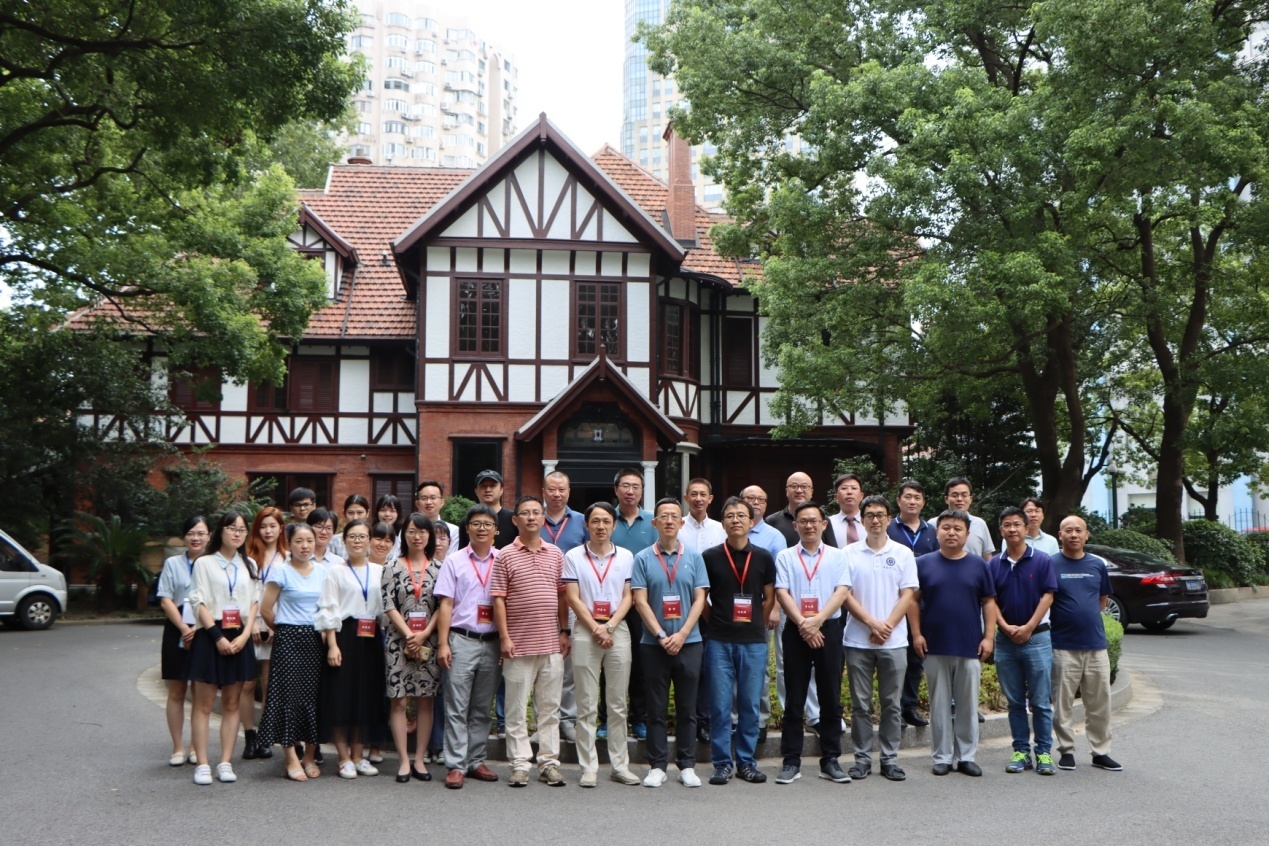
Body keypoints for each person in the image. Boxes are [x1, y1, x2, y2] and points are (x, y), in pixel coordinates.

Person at [909, 510, 998, 777]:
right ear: (937, 532)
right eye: (946, 527)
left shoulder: (978, 565)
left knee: (968, 704)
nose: (951, 533)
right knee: (938, 704)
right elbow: (912, 600)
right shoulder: (923, 563)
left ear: (967, 534)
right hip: (934, 644)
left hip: (969, 645)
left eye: (957, 529)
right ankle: (942, 756)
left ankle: (967, 756)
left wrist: (989, 637)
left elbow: (989, 602)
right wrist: (916, 634)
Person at [491, 495, 569, 787]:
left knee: (549, 708)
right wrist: (504, 637)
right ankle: (520, 764)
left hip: (551, 644)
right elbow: (498, 599)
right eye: (525, 513)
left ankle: (548, 763)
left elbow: (562, 595)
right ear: (515, 520)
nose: (532, 517)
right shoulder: (505, 555)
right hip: (518, 645)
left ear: (543, 518)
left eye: (537, 512)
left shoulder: (555, 553)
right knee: (516, 709)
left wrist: (564, 631)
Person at [632, 497, 710, 788]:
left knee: (688, 708)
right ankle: (657, 766)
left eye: (674, 516)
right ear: (654, 523)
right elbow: (640, 601)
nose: (668, 521)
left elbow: (700, 599)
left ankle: (687, 765)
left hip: (690, 643)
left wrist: (682, 634)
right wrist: (662, 636)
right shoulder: (642, 558)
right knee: (656, 708)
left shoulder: (694, 557)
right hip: (654, 645)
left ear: (681, 523)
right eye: (663, 516)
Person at [840, 495, 918, 782]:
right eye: (870, 515)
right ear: (862, 520)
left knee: (892, 704)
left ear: (889, 518)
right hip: (857, 640)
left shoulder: (903, 553)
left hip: (894, 641)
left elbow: (908, 594)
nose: (875, 520)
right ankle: (861, 759)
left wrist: (887, 626)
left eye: (880, 514)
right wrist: (872, 623)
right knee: (860, 705)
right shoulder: (847, 553)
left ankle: (889, 759)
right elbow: (844, 594)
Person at [773, 501, 851, 785]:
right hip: (797, 629)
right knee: (794, 696)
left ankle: (830, 760)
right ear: (795, 526)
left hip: (828, 627)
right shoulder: (785, 556)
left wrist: (817, 621)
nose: (808, 525)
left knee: (830, 695)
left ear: (823, 525)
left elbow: (842, 591)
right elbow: (782, 592)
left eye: (813, 521)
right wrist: (804, 624)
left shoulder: (837, 556)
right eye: (803, 521)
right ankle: (791, 761)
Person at [563, 502, 640, 787]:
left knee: (617, 704)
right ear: (586, 525)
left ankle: (620, 766)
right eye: (595, 521)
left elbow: (629, 596)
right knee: (586, 704)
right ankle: (589, 767)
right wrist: (595, 627)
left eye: (606, 521)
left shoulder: (626, 556)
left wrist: (608, 626)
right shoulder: (573, 556)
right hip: (585, 630)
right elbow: (572, 597)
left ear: (614, 525)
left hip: (617, 629)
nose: (600, 526)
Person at [703, 497, 776, 785]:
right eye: (730, 515)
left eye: (741, 515)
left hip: (753, 642)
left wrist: (756, 622)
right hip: (719, 641)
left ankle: (746, 762)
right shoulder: (710, 556)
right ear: (723, 523)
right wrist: (716, 621)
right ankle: (722, 764)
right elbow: (701, 598)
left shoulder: (763, 557)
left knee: (749, 705)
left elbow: (769, 598)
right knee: (720, 706)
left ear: (751, 521)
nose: (736, 520)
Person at [185, 510, 259, 785]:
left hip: (239, 635)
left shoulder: (249, 564)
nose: (237, 534)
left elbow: (254, 603)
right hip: (210, 635)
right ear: (221, 531)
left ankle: (225, 762)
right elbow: (198, 601)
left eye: (242, 529)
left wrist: (246, 635)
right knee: (203, 704)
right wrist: (217, 637)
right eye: (232, 528)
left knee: (231, 703)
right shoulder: (204, 563)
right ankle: (203, 763)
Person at [434, 505, 503, 789]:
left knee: (482, 706)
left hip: (493, 642)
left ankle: (476, 760)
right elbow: (446, 603)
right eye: (476, 523)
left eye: (487, 524)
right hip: (461, 640)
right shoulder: (454, 561)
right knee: (457, 706)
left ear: (496, 530)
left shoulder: (503, 560)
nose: (482, 528)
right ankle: (456, 765)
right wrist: (442, 643)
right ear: (467, 528)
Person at [255, 522, 327, 781]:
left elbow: (328, 607)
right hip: (288, 639)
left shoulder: (323, 572)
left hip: (316, 639)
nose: (305, 546)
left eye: (309, 540)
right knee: (287, 697)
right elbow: (265, 609)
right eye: (299, 541)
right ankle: (290, 756)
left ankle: (309, 755)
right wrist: (283, 628)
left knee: (314, 697)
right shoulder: (281, 571)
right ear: (289, 544)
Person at [989, 506, 1058, 775]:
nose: (1012, 529)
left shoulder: (1041, 560)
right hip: (1005, 641)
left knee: (1040, 702)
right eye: (1007, 525)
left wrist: (1029, 627)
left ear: (1026, 528)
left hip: (1037, 639)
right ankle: (1020, 751)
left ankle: (1044, 752)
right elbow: (990, 600)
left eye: (1017, 524)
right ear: (1001, 530)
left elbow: (1048, 595)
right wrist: (1005, 627)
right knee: (1015, 701)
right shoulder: (993, 564)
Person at [315, 519, 387, 779]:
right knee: (341, 695)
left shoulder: (379, 571)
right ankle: (343, 757)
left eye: (362, 536)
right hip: (344, 636)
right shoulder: (335, 571)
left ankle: (359, 756)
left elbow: (385, 610)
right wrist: (332, 645)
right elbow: (328, 608)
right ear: (344, 541)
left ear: (370, 540)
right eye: (352, 536)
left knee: (365, 696)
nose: (357, 541)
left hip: (371, 638)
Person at [1050, 515, 1121, 772]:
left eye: (1078, 530)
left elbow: (1102, 600)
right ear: (1060, 535)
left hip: (1095, 645)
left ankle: (1100, 752)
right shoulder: (1050, 564)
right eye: (1068, 530)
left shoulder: (1097, 564)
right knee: (1062, 703)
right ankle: (1066, 750)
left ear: (1086, 534)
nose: (1074, 534)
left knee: (1100, 703)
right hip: (1062, 645)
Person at [381, 513, 443, 783]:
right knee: (399, 700)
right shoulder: (392, 566)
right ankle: (404, 761)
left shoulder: (439, 568)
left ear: (430, 536)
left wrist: (425, 634)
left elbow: (444, 605)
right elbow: (388, 604)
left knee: (426, 701)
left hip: (429, 642)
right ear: (403, 535)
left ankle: (419, 759)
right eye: (411, 531)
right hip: (399, 642)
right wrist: (409, 635)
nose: (417, 537)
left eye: (422, 532)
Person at [156, 516, 210, 767]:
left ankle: (194, 747)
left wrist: (197, 628)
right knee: (176, 690)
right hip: (176, 626)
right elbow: (165, 598)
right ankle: (177, 747)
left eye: (201, 533)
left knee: (200, 691)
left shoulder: (213, 563)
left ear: (209, 536)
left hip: (204, 628)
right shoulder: (172, 563)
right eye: (191, 533)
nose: (195, 538)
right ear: (184, 537)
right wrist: (183, 628)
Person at [739, 484, 788, 744]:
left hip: (762, 608)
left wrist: (775, 609)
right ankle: (735, 719)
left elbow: (780, 578)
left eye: (760, 499)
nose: (755, 502)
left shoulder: (774, 537)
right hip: (731, 611)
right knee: (732, 666)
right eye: (750, 498)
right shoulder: (730, 530)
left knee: (759, 667)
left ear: (766, 505)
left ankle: (759, 720)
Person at [887, 479, 937, 728]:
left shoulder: (932, 531)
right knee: (892, 657)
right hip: (893, 602)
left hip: (924, 602)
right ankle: (892, 708)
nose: (912, 501)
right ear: (898, 500)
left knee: (916, 656)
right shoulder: (888, 528)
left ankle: (909, 706)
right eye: (907, 496)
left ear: (923, 502)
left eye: (917, 497)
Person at [610, 468, 655, 741]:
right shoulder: (606, 518)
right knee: (609, 663)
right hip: (610, 605)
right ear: (616, 489)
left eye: (635, 486)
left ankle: (640, 719)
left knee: (641, 662)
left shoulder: (652, 521)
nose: (630, 491)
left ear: (641, 491)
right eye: (625, 486)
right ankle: (607, 720)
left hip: (642, 605)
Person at [542, 470, 586, 744]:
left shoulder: (581, 521)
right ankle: (543, 722)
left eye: (562, 489)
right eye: (551, 489)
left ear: (569, 492)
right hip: (539, 601)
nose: (557, 494)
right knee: (541, 664)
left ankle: (567, 719)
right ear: (543, 491)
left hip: (571, 601)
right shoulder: (533, 518)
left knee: (568, 664)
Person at [241, 505, 288, 761]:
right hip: (249, 626)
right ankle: (249, 736)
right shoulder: (247, 557)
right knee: (247, 684)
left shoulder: (288, 557)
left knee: (270, 685)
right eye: (263, 526)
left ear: (281, 528)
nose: (268, 531)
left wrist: (273, 626)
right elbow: (242, 595)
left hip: (276, 626)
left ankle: (265, 736)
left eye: (273, 526)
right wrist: (252, 625)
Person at [458, 470, 517, 550]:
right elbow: (462, 552)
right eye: (483, 486)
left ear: (501, 490)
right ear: (476, 491)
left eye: (493, 486)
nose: (488, 489)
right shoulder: (467, 521)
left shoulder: (514, 519)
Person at [944, 478, 997, 558]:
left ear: (970, 499)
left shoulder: (980, 524)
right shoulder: (933, 524)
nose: (959, 499)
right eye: (954, 495)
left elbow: (987, 557)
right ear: (946, 499)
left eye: (964, 495)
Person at [766, 471, 817, 547]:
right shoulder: (772, 521)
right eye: (794, 486)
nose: (799, 490)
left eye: (804, 486)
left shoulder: (821, 520)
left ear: (811, 492)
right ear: (786, 491)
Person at [681, 477, 726, 552]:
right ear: (686, 498)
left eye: (703, 494)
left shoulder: (720, 529)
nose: (698, 499)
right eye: (694, 494)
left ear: (710, 499)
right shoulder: (678, 527)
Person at [415, 481, 459, 548]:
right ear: (417, 503)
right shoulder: (409, 530)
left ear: (442, 502)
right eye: (424, 498)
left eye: (433, 498)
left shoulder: (453, 531)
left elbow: (452, 554)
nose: (428, 502)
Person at [328, 494, 370, 559]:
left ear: (367, 513)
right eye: (351, 513)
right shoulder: (334, 542)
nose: (355, 517)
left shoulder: (374, 541)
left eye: (360, 513)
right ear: (344, 513)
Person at [827, 473, 863, 547]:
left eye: (854, 488)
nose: (849, 492)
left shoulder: (871, 522)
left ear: (861, 496)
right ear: (836, 497)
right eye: (844, 488)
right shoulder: (828, 523)